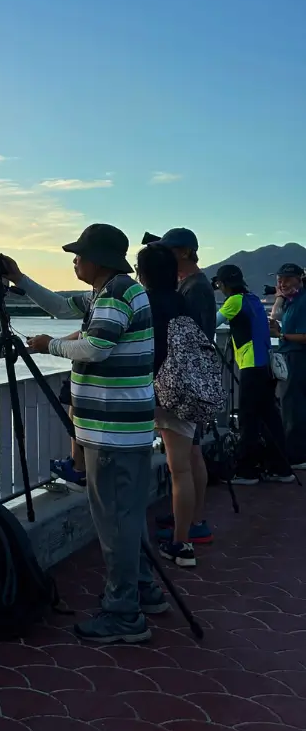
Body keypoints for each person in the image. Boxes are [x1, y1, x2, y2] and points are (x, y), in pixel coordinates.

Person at [4, 223, 166, 645]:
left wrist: (49, 346)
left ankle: (123, 613)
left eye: (79, 254)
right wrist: (19, 279)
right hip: (117, 430)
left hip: (113, 433)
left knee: (114, 522)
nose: (74, 260)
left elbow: (95, 347)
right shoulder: (109, 292)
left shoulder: (115, 295)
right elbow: (59, 306)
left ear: (99, 260)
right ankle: (143, 591)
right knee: (126, 517)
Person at [152, 229, 215, 547]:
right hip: (193, 381)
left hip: (185, 384)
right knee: (191, 455)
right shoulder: (195, 285)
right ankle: (189, 517)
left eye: (169, 251)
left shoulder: (194, 289)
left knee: (187, 459)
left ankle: (191, 525)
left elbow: (190, 336)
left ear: (185, 253)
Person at [136, 244, 198, 569]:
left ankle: (132, 546)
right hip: (186, 391)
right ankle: (182, 543)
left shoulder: (142, 302)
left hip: (150, 392)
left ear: (141, 273)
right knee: (182, 469)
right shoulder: (182, 301)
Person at [214, 263, 293, 484]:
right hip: (266, 366)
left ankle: (247, 471)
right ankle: (281, 468)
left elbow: (212, 322)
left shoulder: (234, 301)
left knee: (248, 419)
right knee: (270, 418)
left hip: (251, 367)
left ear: (224, 284)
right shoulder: (253, 299)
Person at [269, 263, 306, 470]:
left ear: (299, 279)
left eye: (287, 279)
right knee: (292, 405)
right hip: (291, 355)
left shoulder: (302, 302)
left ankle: (296, 456)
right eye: (280, 279)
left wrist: (281, 335)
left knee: (293, 407)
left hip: (297, 358)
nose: (282, 283)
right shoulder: (292, 301)